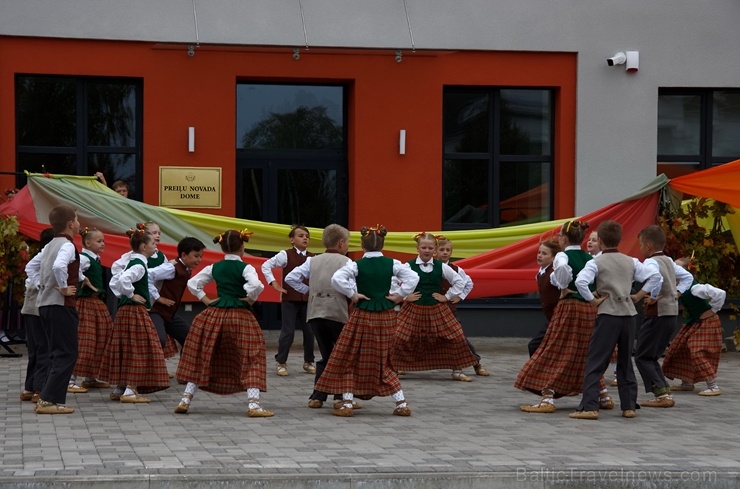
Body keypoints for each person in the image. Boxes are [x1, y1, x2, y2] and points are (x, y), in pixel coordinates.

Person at [316, 225, 419, 417]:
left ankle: (347, 403)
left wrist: (352, 294)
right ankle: (401, 403)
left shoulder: (356, 265)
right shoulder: (393, 263)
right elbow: (413, 276)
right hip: (387, 316)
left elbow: (336, 279)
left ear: (362, 246)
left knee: (350, 356)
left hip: (362, 315)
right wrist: (399, 295)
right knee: (385, 358)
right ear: (383, 244)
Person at [515, 220, 613, 413]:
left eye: (560, 236)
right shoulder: (589, 257)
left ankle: (548, 398)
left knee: (556, 349)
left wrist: (564, 286)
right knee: (584, 351)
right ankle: (603, 394)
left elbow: (560, 271)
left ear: (564, 239)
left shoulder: (562, 255)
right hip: (589, 310)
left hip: (570, 307)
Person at [175, 229, 273, 417]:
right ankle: (254, 405)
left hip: (215, 314)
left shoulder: (214, 267)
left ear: (222, 248)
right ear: (242, 247)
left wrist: (205, 299)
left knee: (203, 354)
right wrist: (250, 298)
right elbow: (256, 285)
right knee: (251, 356)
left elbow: (193, 283)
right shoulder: (246, 268)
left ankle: (185, 399)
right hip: (240, 316)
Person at [570, 220, 662, 420]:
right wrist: (638, 296)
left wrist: (592, 300)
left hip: (608, 314)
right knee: (625, 361)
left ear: (600, 240)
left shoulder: (595, 262)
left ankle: (590, 406)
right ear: (619, 239)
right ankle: (628, 406)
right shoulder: (631, 261)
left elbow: (580, 281)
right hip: (628, 315)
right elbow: (656, 276)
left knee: (596, 360)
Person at [284, 224, 354, 409]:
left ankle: (318, 395)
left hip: (315, 311)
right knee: (340, 354)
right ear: (341, 243)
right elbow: (352, 287)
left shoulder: (312, 261)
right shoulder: (347, 262)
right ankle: (340, 396)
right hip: (338, 312)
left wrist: (309, 291)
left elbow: (290, 278)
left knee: (325, 352)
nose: (347, 246)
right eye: (347, 242)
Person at [390, 232, 478, 379]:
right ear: (417, 248)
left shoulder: (441, 266)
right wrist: (404, 296)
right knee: (399, 337)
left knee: (456, 336)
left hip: (437, 309)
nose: (427, 250)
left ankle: (457, 371)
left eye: (430, 248)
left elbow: (459, 281)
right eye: (424, 247)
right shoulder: (408, 266)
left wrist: (447, 296)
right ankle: (396, 367)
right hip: (413, 309)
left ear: (434, 250)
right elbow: (393, 281)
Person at [99, 228, 170, 403]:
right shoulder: (138, 264)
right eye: (153, 243)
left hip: (125, 311)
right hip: (134, 311)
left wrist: (123, 295)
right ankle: (130, 390)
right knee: (139, 348)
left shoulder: (133, 262)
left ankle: (120, 387)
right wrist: (131, 295)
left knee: (125, 347)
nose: (155, 246)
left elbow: (115, 281)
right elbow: (123, 281)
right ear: (144, 246)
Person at [26, 204, 81, 414]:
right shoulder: (67, 245)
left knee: (56, 352)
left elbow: (30, 267)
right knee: (67, 353)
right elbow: (59, 266)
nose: (79, 223)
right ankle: (49, 400)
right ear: (70, 224)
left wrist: (42, 285)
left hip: (45, 304)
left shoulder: (49, 245)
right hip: (61, 305)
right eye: (77, 219)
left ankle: (47, 397)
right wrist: (64, 287)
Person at [633, 225, 693, 408]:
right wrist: (677, 293)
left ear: (648, 246)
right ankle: (664, 391)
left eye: (641, 245)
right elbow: (688, 278)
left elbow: (656, 279)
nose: (640, 249)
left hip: (657, 314)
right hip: (670, 313)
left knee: (642, 355)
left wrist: (651, 296)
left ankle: (661, 395)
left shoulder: (651, 262)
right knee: (651, 355)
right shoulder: (668, 260)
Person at [662, 257, 726, 396]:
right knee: (679, 347)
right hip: (694, 321)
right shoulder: (679, 287)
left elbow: (720, 293)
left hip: (708, 321)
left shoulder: (695, 288)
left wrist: (713, 310)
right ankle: (687, 382)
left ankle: (713, 385)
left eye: (678, 268)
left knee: (696, 350)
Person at [261, 225, 316, 377]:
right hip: (289, 299)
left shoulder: (313, 257)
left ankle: (309, 361)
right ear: (292, 240)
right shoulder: (285, 255)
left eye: (307, 235)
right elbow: (266, 265)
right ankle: (281, 362)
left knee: (310, 332)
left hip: (307, 300)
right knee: (288, 332)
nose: (305, 238)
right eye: (300, 235)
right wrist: (273, 283)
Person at [435, 236, 490, 379]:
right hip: (431, 308)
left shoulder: (456, 269)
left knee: (460, 338)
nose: (445, 252)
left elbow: (468, 283)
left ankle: (476, 363)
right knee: (416, 337)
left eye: (448, 250)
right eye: (442, 250)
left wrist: (460, 296)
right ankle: (402, 366)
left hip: (449, 309)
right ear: (435, 252)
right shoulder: (429, 267)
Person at [70, 227, 113, 392]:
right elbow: (73, 270)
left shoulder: (94, 258)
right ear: (87, 243)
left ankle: (90, 377)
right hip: (86, 303)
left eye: (103, 240)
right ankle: (70, 379)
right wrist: (84, 280)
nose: (103, 244)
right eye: (99, 241)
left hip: (95, 302)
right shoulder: (84, 258)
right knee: (85, 340)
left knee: (100, 338)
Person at [148, 237, 206, 352]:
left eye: (201, 256)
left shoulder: (185, 269)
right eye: (196, 256)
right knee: (159, 340)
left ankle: (185, 369)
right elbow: (147, 275)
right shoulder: (171, 268)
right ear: (184, 255)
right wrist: (158, 297)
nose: (199, 260)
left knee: (190, 339)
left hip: (169, 313)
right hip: (155, 310)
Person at [19, 228, 55, 404]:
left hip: (30, 306)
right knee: (44, 349)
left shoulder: (42, 255)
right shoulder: (47, 257)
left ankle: (29, 387)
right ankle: (39, 388)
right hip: (39, 306)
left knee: (35, 349)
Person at [526, 238, 560, 357]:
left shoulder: (554, 274)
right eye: (539, 252)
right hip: (551, 319)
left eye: (544, 253)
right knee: (538, 347)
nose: (539, 256)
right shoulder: (541, 273)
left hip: (558, 318)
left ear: (553, 258)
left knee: (534, 345)